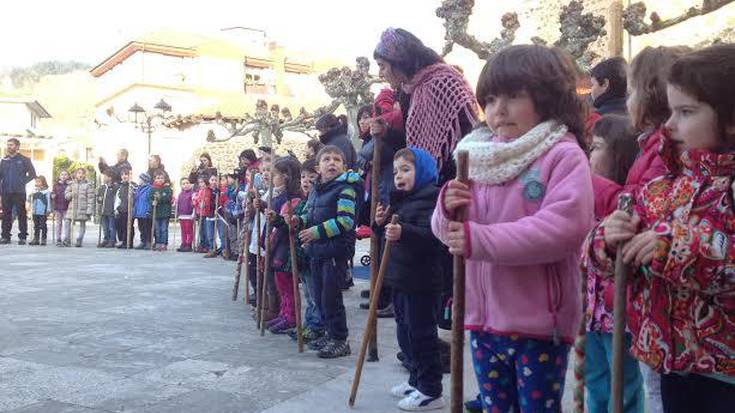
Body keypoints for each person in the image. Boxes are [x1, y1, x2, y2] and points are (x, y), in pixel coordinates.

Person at [431, 45, 594, 413]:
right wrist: (446, 208)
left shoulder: (562, 154)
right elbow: (448, 232)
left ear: (547, 97)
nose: (498, 110)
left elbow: (563, 228)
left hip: (538, 325)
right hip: (480, 322)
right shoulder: (475, 154)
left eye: (513, 96)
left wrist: (479, 239)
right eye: (489, 99)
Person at [582, 44, 735, 413]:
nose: (668, 124)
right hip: (674, 360)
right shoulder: (663, 183)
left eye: (685, 112)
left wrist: (672, 247)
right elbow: (604, 250)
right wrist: (607, 239)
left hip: (726, 369)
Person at [375, 147, 445, 411]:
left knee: (421, 336)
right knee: (405, 335)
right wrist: (381, 224)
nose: (399, 176)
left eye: (406, 169)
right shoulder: (402, 201)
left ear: (424, 172)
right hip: (401, 279)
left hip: (422, 282)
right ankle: (416, 379)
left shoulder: (432, 199)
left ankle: (431, 390)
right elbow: (389, 235)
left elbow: (433, 237)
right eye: (395, 172)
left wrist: (403, 231)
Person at [584, 114, 644, 413]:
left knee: (624, 382)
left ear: (620, 154)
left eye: (595, 147)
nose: (588, 156)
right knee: (594, 379)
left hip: (618, 312)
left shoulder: (629, 201)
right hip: (590, 310)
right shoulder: (585, 199)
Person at [373, 27, 477, 186]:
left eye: (382, 66)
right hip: (426, 188)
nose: (380, 74)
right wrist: (387, 132)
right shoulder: (408, 91)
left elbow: (463, 139)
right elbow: (415, 146)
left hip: (454, 185)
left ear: (398, 61)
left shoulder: (445, 83)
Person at [293, 145, 363, 359]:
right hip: (317, 251)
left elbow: (345, 221)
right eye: (327, 159)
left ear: (344, 166)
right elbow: (309, 214)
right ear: (318, 167)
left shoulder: (345, 189)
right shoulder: (316, 189)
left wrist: (315, 232)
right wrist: (299, 221)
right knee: (320, 296)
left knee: (331, 298)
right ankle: (328, 332)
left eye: (337, 160)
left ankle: (340, 339)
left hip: (334, 251)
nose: (332, 163)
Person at [264, 156, 303, 334]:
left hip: (286, 246)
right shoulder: (279, 196)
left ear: (286, 176)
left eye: (276, 175)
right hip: (278, 244)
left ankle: (291, 316)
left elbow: (287, 223)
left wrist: (278, 219)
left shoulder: (293, 198)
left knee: (287, 284)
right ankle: (284, 313)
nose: (274, 179)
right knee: (281, 283)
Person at [288, 158, 324, 343]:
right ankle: (310, 323)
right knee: (308, 293)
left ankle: (317, 325)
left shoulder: (319, 199)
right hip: (303, 251)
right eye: (303, 176)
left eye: (311, 177)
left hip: (314, 250)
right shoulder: (306, 199)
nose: (306, 181)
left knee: (314, 292)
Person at [0, 137, 37, 244]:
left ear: (17, 147)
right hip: (6, 191)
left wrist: (22, 181)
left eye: (11, 145)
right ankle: (5, 236)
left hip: (19, 192)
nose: (8, 146)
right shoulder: (4, 161)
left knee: (21, 214)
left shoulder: (25, 160)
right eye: (8, 145)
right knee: (6, 214)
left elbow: (33, 174)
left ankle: (22, 237)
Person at [585, 57, 629, 139]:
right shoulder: (638, 116)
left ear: (605, 84)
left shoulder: (596, 119)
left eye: (593, 84)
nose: (591, 90)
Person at [64, 167, 96, 248]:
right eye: (79, 173)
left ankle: (79, 239)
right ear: (75, 174)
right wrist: (71, 194)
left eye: (82, 173)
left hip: (83, 208)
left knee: (82, 223)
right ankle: (67, 239)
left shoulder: (88, 185)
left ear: (85, 175)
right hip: (72, 208)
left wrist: (89, 210)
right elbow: (66, 195)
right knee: (67, 221)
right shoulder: (71, 184)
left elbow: (91, 198)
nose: (80, 175)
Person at [149, 172, 172, 251]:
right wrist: (152, 202)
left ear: (164, 179)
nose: (160, 180)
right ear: (154, 179)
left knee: (164, 229)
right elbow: (149, 198)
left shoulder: (167, 189)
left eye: (162, 178)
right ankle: (158, 242)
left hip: (165, 213)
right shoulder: (152, 189)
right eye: (158, 178)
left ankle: (164, 243)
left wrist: (160, 198)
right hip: (156, 213)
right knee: (157, 229)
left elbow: (168, 198)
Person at [114, 168, 136, 249]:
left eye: (126, 174)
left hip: (129, 210)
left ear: (130, 176)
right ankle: (122, 241)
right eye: (122, 175)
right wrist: (116, 208)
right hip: (121, 209)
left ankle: (129, 242)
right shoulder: (120, 186)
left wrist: (132, 194)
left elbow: (136, 196)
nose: (124, 176)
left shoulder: (133, 186)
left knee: (129, 227)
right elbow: (117, 198)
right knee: (121, 226)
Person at [27, 175, 51, 246]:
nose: (37, 183)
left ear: (43, 182)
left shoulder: (46, 191)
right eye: (36, 182)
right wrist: (30, 196)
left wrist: (48, 209)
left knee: (43, 225)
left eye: (39, 182)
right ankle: (36, 238)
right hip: (35, 211)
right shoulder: (34, 191)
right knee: (36, 226)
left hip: (42, 211)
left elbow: (48, 201)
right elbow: (29, 200)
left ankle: (43, 239)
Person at [97, 172, 118, 248]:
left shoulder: (115, 187)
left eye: (105, 177)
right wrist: (99, 199)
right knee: (105, 227)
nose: (103, 178)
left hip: (111, 210)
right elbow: (98, 198)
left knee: (111, 227)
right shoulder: (102, 188)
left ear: (110, 178)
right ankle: (106, 239)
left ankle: (112, 240)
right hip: (103, 210)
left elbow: (117, 198)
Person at [133, 173, 153, 250]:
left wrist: (149, 210)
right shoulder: (138, 189)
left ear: (144, 180)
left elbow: (149, 200)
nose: (139, 180)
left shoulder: (150, 189)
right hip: (139, 212)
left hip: (146, 212)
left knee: (147, 228)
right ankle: (143, 241)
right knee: (141, 228)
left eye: (140, 179)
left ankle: (148, 242)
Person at [52, 170, 71, 247]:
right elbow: (53, 193)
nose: (63, 176)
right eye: (62, 174)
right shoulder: (56, 185)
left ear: (68, 176)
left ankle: (66, 239)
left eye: (65, 174)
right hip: (58, 207)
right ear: (59, 176)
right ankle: (58, 239)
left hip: (67, 207)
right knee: (58, 224)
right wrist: (52, 195)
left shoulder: (70, 185)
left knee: (67, 223)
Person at [175, 177, 195, 252]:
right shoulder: (180, 194)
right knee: (183, 230)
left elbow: (193, 203)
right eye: (183, 184)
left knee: (188, 230)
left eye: (187, 183)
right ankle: (183, 243)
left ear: (190, 184)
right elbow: (179, 203)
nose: (186, 185)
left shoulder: (192, 193)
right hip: (182, 215)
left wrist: (193, 212)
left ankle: (188, 244)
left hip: (189, 215)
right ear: (181, 186)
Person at [203, 174, 220, 258]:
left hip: (218, 214)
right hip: (209, 214)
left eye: (215, 180)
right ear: (209, 181)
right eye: (212, 180)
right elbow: (205, 201)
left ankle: (222, 249)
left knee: (220, 233)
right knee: (210, 233)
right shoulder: (206, 190)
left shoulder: (219, 190)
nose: (214, 182)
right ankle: (212, 248)